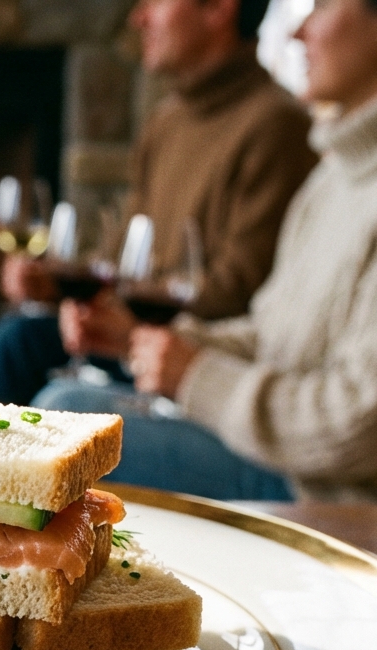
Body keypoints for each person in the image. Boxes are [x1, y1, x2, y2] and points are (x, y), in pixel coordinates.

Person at [38, 0, 377, 502]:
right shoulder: (332, 180)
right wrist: (147, 343)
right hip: (268, 446)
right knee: (57, 394)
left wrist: (197, 376)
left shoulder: (289, 136)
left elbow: (360, 425)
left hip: (323, 489)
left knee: (61, 416)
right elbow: (270, 336)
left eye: (322, 5)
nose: (297, 32)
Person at [0, 0, 317, 406]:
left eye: (156, 0)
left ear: (219, 9)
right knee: (18, 336)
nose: (138, 17)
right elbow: (121, 255)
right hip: (136, 334)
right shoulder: (166, 120)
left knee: (31, 358)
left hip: (199, 359)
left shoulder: (278, 125)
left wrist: (121, 316)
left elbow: (238, 292)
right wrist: (49, 284)